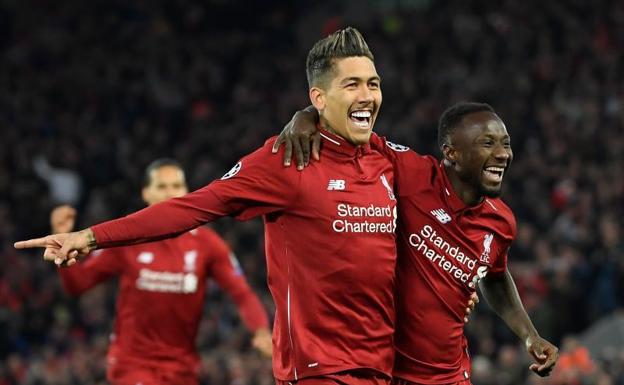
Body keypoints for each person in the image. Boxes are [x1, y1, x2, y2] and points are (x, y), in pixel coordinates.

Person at [15, 28, 400, 385]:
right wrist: (89, 236)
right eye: (352, 84)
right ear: (318, 98)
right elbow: (192, 207)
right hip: (318, 368)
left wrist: (462, 279)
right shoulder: (286, 161)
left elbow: (445, 206)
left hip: (381, 363)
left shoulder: (390, 162)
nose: (367, 94)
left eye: (373, 84)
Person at [274, 101, 559, 385]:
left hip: (449, 376)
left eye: (505, 144)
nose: (502, 154)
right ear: (451, 152)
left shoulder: (501, 221)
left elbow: (495, 277)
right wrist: (309, 115)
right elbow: (353, 130)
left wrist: (529, 335)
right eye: (488, 143)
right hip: (384, 370)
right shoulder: (412, 174)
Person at [49, 159, 271, 385]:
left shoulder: (208, 244)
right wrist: (63, 254)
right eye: (162, 187)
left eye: (176, 186)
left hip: (182, 369)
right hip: (132, 366)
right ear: (146, 193)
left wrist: (261, 330)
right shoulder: (126, 241)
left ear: (187, 191)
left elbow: (242, 294)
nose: (171, 193)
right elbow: (78, 285)